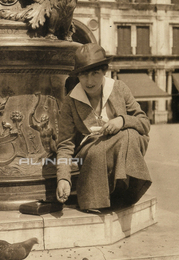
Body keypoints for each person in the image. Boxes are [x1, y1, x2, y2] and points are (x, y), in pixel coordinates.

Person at [56, 43, 152, 212]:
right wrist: (63, 178)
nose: (90, 81)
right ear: (78, 75)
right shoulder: (70, 102)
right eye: (84, 74)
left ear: (104, 71)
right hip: (92, 153)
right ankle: (105, 195)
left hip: (123, 147)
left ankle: (124, 189)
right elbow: (65, 145)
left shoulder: (119, 88)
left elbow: (144, 123)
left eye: (95, 73)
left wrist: (122, 121)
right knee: (108, 146)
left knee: (129, 134)